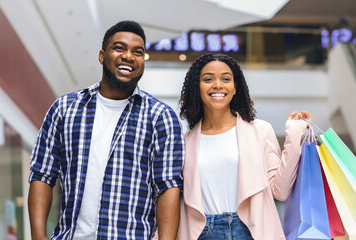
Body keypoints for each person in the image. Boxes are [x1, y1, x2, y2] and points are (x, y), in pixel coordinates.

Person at [28, 21, 184, 240]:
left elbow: (168, 187)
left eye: (137, 52)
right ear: (102, 56)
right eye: (119, 48)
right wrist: (38, 235)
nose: (129, 56)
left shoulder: (160, 117)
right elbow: (42, 174)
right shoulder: (65, 108)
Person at [177, 53, 310, 240]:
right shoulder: (184, 142)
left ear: (235, 87)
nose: (217, 85)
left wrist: (294, 135)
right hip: (202, 233)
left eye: (226, 79)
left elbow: (280, 191)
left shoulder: (260, 131)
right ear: (196, 87)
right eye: (208, 79)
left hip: (251, 231)